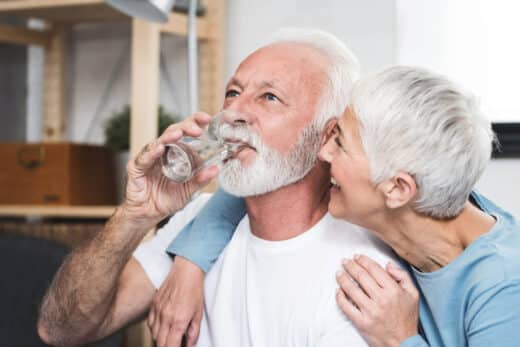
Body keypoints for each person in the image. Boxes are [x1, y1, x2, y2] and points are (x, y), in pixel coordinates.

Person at [38, 28, 396, 347]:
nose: (236, 112)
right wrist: (135, 216)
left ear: (327, 135)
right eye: (233, 92)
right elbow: (61, 330)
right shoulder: (196, 222)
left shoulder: (363, 275)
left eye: (269, 97)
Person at [158, 66, 520, 347]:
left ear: (396, 188)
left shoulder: (504, 289)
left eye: (340, 144)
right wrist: (191, 262)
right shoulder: (425, 204)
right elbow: (257, 186)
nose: (323, 153)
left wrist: (399, 338)